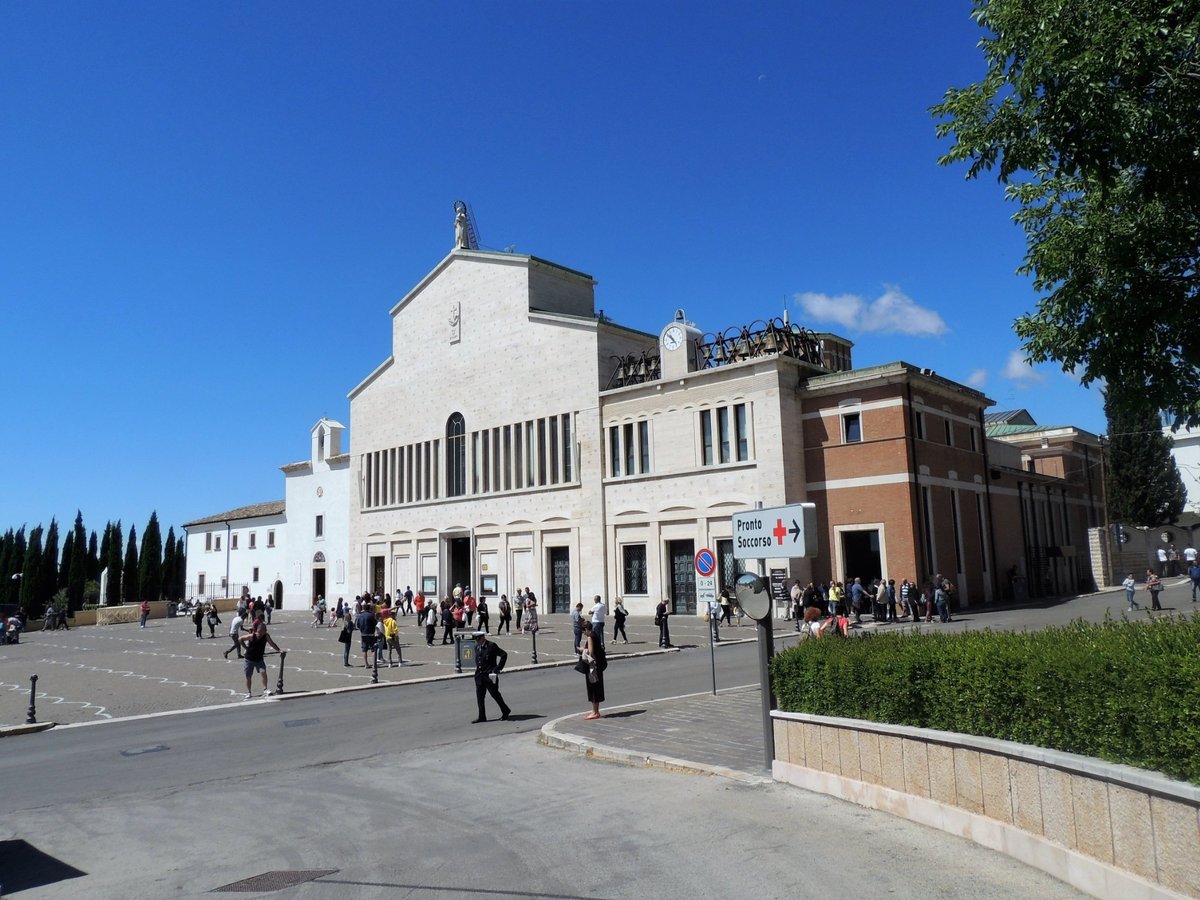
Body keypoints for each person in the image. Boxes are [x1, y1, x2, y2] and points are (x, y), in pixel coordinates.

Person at [471, 631, 511, 723]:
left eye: (479, 639)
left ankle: (505, 710)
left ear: (483, 638)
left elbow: (504, 655)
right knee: (480, 697)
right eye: (476, 640)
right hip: (479, 675)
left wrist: (498, 668)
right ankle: (482, 716)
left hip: (489, 675)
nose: (478, 642)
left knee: (495, 694)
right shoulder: (476, 647)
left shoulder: (491, 646)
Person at [239, 620, 282, 699]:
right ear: (259, 631)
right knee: (248, 676)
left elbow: (272, 643)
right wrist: (245, 647)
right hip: (249, 659)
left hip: (259, 659)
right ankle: (249, 692)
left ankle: (265, 689)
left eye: (264, 631)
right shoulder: (252, 636)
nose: (262, 633)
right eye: (261, 632)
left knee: (263, 673)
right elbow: (240, 639)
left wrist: (279, 650)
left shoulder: (266, 636)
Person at [579, 625, 606, 720]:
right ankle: (595, 711)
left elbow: (590, 652)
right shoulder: (595, 635)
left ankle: (595, 712)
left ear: (586, 629)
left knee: (593, 688)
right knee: (596, 687)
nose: (583, 634)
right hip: (598, 665)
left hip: (592, 667)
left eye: (583, 632)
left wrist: (582, 650)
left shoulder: (590, 637)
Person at [356, 602, 377, 667]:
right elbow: (375, 623)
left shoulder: (360, 615)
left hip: (363, 634)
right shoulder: (371, 615)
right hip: (371, 634)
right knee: (373, 649)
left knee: (364, 650)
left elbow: (358, 625)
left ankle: (366, 664)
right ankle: (374, 664)